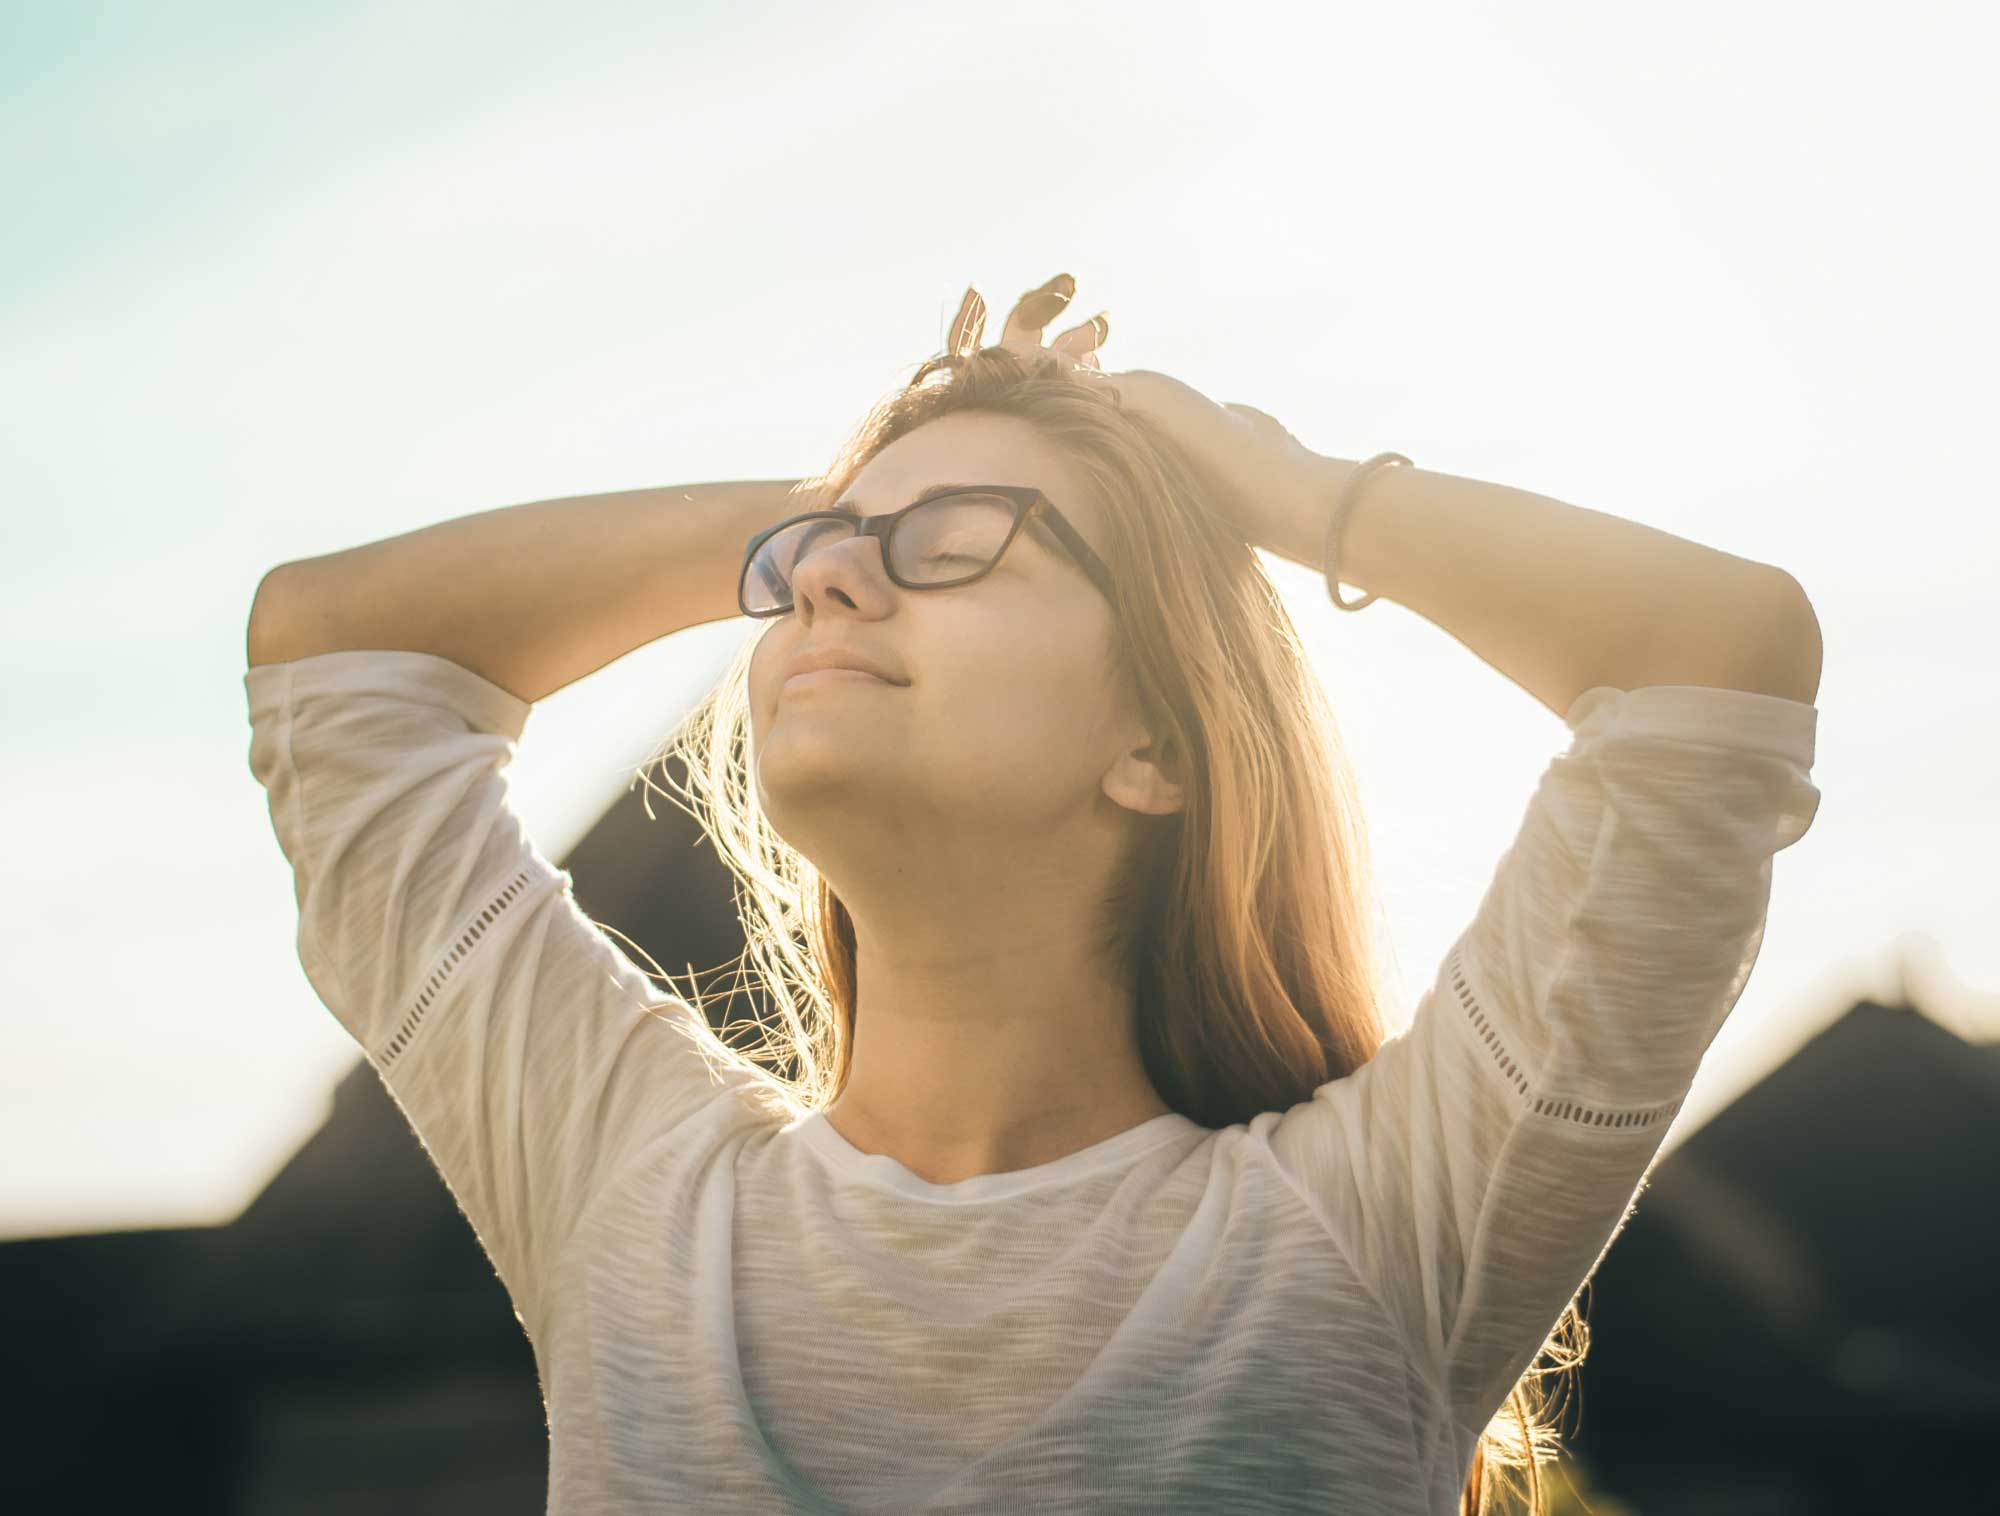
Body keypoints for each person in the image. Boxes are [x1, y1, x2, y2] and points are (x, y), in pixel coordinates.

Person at [245, 273, 1822, 1514]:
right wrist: (829, 503)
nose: (831, 581)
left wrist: (1272, 486)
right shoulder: (631, 1192)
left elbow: (1713, 659)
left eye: (957, 547)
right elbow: (333, 651)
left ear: (1158, 741)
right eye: (811, 565)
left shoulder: (1378, 1226)